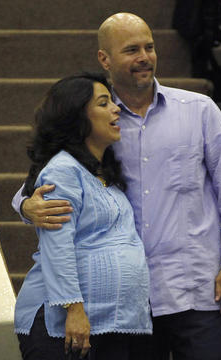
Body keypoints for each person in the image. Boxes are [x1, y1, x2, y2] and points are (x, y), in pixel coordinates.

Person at [12, 13, 221, 360]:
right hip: (130, 306)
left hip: (199, 290)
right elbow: (39, 185)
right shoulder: (97, 119)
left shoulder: (198, 110)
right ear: (104, 59)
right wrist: (25, 206)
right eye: (131, 50)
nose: (144, 57)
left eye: (150, 47)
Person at [13, 72, 152, 360]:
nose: (116, 109)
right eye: (104, 104)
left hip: (111, 323)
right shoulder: (63, 170)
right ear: (77, 117)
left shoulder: (106, 172)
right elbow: (57, 246)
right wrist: (74, 310)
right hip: (65, 323)